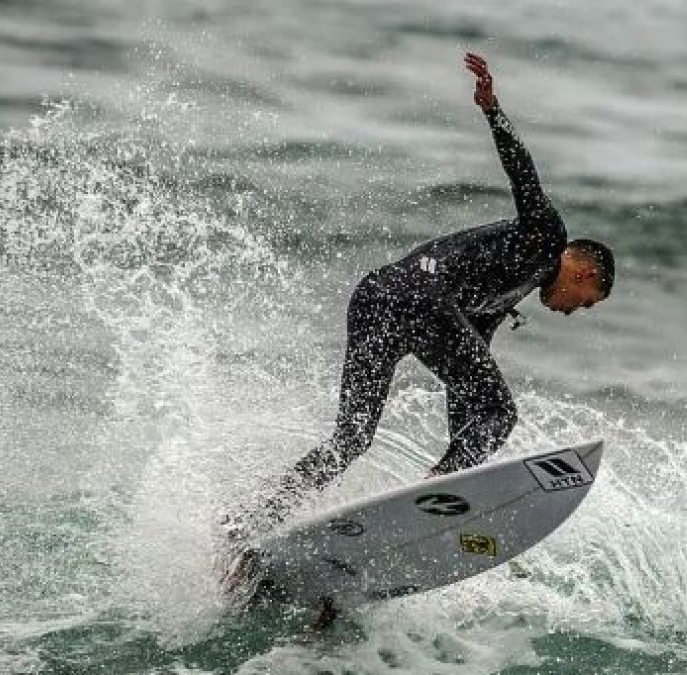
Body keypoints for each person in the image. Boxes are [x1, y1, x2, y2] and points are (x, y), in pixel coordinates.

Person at [222, 52, 615, 596]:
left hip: (378, 296)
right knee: (500, 411)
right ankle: (437, 495)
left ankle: (249, 525)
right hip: (418, 297)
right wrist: (493, 111)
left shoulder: (503, 295)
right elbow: (524, 175)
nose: (573, 310)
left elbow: (465, 387)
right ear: (587, 269)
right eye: (586, 300)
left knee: (352, 437)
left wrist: (467, 463)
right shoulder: (547, 238)